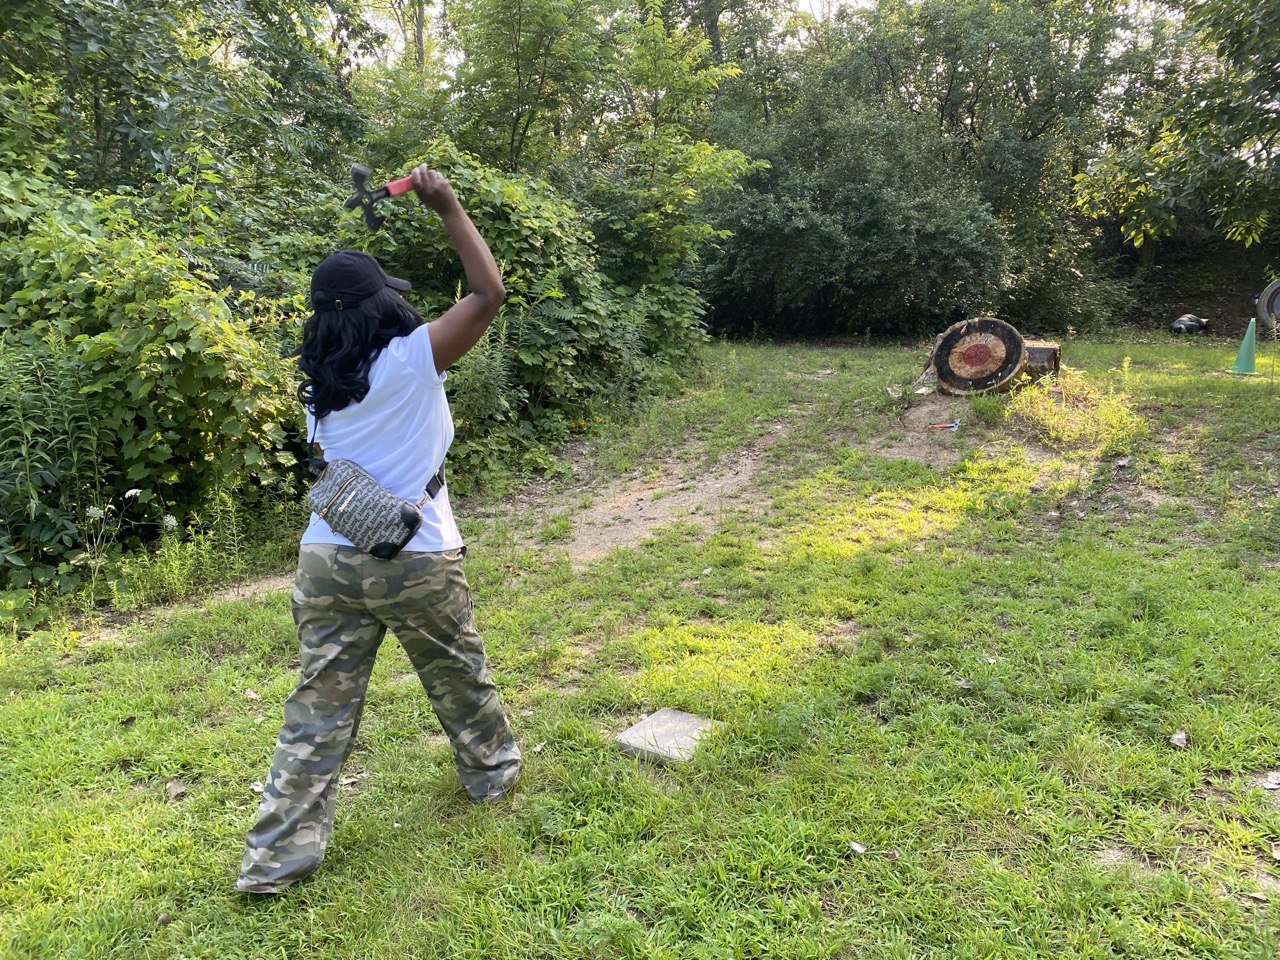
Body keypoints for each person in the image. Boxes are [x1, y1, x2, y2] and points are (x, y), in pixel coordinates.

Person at [236, 165, 521, 895]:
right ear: (381, 307)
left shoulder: (315, 386)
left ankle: (274, 860)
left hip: (326, 557)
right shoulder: (412, 358)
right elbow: (488, 294)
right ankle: (492, 777)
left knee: (316, 710)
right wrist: (448, 206)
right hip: (414, 557)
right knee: (458, 677)